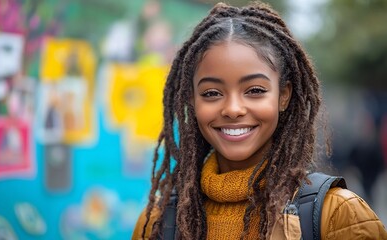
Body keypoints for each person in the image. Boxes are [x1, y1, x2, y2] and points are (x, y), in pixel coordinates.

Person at [132, 2, 387, 239]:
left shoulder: (338, 215)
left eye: (255, 90)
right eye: (211, 93)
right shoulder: (157, 222)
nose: (233, 109)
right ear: (192, 100)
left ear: (283, 96)